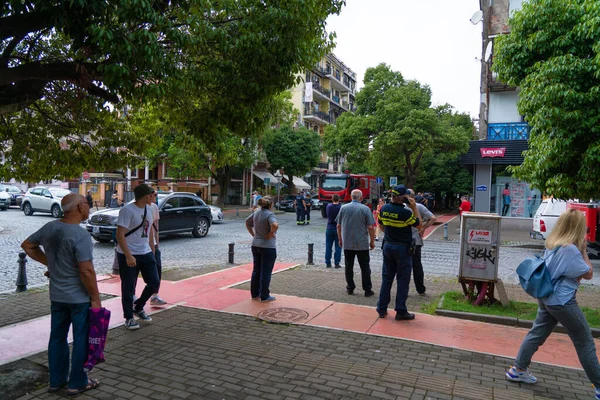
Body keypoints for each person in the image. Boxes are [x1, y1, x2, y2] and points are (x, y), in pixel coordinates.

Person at [505, 209, 600, 400]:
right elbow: (588, 273)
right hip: (562, 302)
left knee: (537, 332)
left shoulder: (553, 244)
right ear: (578, 229)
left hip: (546, 297)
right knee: (584, 341)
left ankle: (518, 369)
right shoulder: (571, 250)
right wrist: (583, 249)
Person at [21, 193, 101, 396]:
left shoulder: (50, 227)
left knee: (57, 338)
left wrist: (52, 264)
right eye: (88, 204)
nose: (90, 207)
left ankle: (56, 381)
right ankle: (77, 383)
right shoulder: (80, 235)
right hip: (79, 299)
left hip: (57, 296)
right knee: (81, 340)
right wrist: (95, 297)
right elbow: (86, 271)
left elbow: (28, 245)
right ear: (81, 207)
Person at [115, 183, 159, 330]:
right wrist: (128, 256)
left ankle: (138, 306)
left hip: (145, 252)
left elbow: (150, 232)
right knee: (128, 287)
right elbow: (120, 235)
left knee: (154, 282)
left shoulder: (150, 208)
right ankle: (128, 317)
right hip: (128, 253)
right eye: (152, 194)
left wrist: (152, 251)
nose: (154, 197)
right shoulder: (127, 210)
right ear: (146, 196)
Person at [376, 185, 421, 320]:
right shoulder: (406, 213)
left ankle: (381, 308)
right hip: (402, 248)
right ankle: (400, 311)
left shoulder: (384, 208)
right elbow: (419, 225)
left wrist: (390, 235)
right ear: (403, 198)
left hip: (388, 245)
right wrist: (414, 207)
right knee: (402, 280)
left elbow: (381, 225)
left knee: (387, 278)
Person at [336, 189, 376, 297]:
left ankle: (350, 287)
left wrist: (340, 239)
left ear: (351, 196)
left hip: (347, 242)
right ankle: (367, 290)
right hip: (362, 243)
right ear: (361, 198)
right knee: (365, 267)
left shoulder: (343, 208)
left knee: (349, 266)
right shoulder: (365, 209)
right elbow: (370, 227)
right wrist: (372, 241)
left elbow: (338, 225)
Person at [245, 196, 279, 302]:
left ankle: (255, 294)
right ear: (270, 204)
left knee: (256, 270)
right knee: (266, 272)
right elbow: (275, 224)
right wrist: (270, 233)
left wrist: (253, 234)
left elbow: (247, 221)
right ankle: (265, 295)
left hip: (255, 245)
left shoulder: (257, 213)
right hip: (267, 246)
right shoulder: (269, 214)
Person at [411, 193, 437, 295]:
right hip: (416, 240)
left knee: (403, 266)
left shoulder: (400, 207)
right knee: (417, 266)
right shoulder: (419, 206)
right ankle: (420, 289)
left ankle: (402, 289)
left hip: (402, 240)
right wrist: (423, 228)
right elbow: (433, 218)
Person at [149, 189, 166, 306]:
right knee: (135, 272)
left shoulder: (154, 207)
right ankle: (133, 297)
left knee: (157, 270)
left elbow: (156, 226)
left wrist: (157, 245)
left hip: (153, 244)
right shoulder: (133, 208)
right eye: (155, 195)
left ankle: (154, 295)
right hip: (140, 246)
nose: (156, 196)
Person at [325, 194, 342, 269]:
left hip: (329, 227)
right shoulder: (341, 208)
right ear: (339, 199)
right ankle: (337, 263)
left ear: (332, 199)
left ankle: (328, 262)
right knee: (338, 246)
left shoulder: (328, 206)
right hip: (338, 228)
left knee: (328, 246)